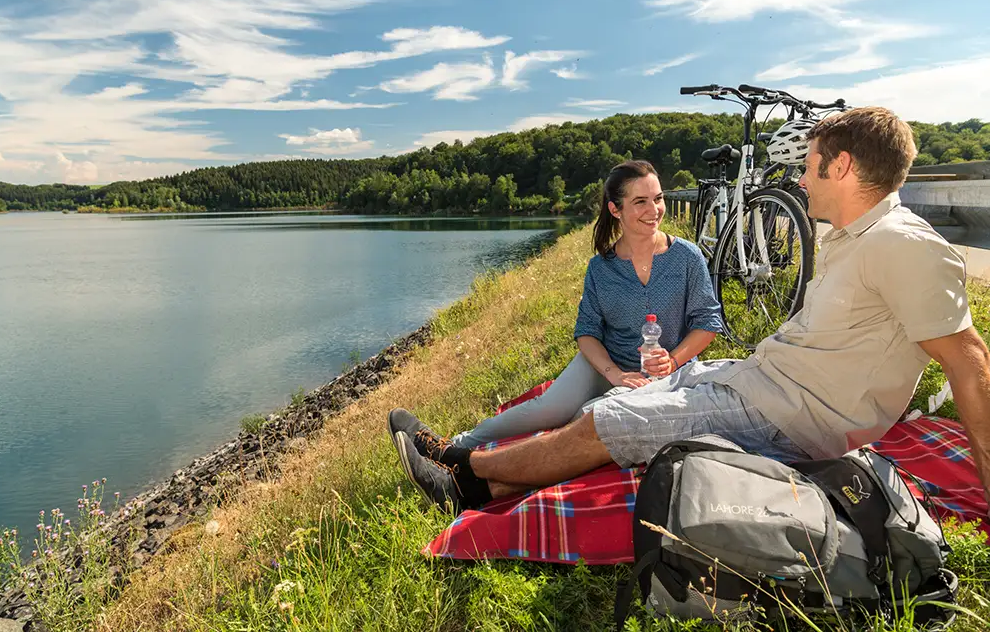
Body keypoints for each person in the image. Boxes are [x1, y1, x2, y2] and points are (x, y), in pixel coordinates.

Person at [388, 106, 990, 517]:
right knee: (615, 403)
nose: (801, 180)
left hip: (791, 417)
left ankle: (463, 477)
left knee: (610, 425)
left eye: (808, 167)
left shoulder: (903, 245)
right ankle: (474, 468)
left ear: (843, 167)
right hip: (764, 382)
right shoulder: (854, 237)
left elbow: (969, 362)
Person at [445, 159, 723, 449]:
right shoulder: (601, 268)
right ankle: (457, 445)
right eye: (640, 201)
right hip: (605, 362)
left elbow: (708, 321)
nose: (654, 211)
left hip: (665, 371)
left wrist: (674, 360)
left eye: (658, 198)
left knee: (585, 421)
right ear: (616, 209)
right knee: (548, 409)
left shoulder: (687, 257)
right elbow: (587, 331)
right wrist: (614, 374)